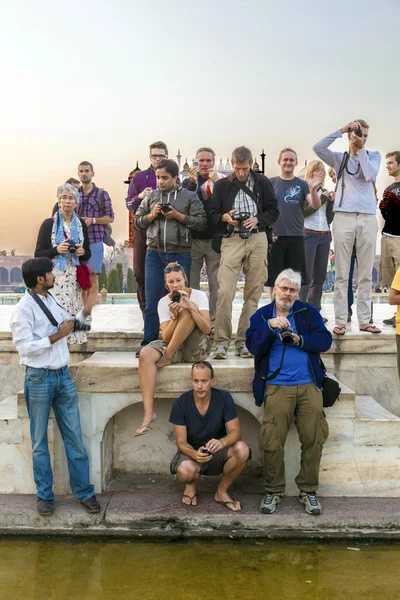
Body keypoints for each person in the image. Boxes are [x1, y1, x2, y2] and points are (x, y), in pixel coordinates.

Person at [9, 258, 100, 516]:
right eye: (49, 272)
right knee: (39, 441)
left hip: (63, 376)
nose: (53, 275)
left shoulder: (51, 300)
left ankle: (84, 492)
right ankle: (44, 496)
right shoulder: (23, 309)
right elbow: (24, 347)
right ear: (40, 279)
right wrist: (55, 336)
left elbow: (72, 327)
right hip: (38, 378)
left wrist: (88, 308)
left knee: (74, 436)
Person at [246, 269, 332, 515]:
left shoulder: (307, 312)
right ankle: (273, 491)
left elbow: (324, 341)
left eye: (293, 290)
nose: (288, 294)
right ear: (274, 289)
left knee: (314, 439)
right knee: (272, 441)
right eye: (284, 288)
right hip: (276, 386)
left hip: (308, 386)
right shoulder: (262, 315)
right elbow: (253, 347)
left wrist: (299, 340)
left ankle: (308, 491)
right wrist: (270, 327)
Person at [210, 146, 279, 359]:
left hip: (257, 237)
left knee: (253, 293)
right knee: (225, 292)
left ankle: (245, 341)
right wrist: (225, 217)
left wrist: (258, 219)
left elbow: (273, 211)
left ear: (251, 165)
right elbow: (212, 215)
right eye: (238, 169)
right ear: (232, 165)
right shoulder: (222, 185)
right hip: (231, 239)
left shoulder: (263, 182)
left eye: (245, 169)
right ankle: (221, 342)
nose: (241, 173)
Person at [313, 120, 381, 335]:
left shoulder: (373, 156)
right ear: (351, 134)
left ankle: (364, 320)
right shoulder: (339, 159)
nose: (363, 137)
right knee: (342, 274)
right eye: (360, 133)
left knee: (365, 275)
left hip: (368, 217)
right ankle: (341, 321)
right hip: (343, 217)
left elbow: (370, 175)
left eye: (366, 135)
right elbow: (318, 147)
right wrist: (342, 130)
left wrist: (361, 149)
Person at [134, 159, 206, 355]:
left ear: (175, 178)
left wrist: (178, 216)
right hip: (154, 254)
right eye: (158, 177)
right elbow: (137, 223)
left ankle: (181, 343)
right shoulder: (151, 197)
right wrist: (151, 216)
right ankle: (148, 343)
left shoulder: (189, 197)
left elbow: (201, 223)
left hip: (181, 253)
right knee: (152, 301)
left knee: (181, 299)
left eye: (165, 178)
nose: (160, 181)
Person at [136, 262, 212, 436]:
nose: (175, 285)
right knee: (145, 354)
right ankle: (149, 413)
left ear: (185, 279)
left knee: (187, 310)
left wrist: (191, 308)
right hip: (174, 344)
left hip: (196, 347)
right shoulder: (164, 302)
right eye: (171, 282)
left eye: (178, 280)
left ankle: (167, 356)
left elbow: (207, 329)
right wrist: (174, 317)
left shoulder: (199, 295)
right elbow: (166, 337)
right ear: (166, 284)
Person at [169, 360, 250, 510]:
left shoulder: (224, 398)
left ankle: (221, 491)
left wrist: (221, 443)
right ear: (191, 381)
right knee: (185, 471)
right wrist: (194, 453)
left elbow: (236, 432)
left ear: (212, 381)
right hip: (192, 453)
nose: (199, 386)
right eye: (196, 381)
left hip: (217, 452)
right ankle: (190, 485)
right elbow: (181, 443)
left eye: (204, 381)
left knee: (242, 449)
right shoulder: (180, 403)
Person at [35, 183, 91, 344]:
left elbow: (87, 253)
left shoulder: (80, 225)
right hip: (53, 279)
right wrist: (56, 250)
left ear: (76, 202)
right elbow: (38, 253)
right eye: (63, 198)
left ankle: (68, 353)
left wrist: (82, 253)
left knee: (72, 313)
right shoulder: (49, 224)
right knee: (55, 314)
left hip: (74, 279)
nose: (67, 201)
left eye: (71, 198)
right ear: (59, 201)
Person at [266, 148, 323, 292]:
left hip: (296, 237)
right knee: (274, 280)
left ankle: (291, 312)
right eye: (285, 159)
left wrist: (313, 189)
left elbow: (315, 205)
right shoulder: (271, 183)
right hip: (275, 237)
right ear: (279, 162)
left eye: (291, 160)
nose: (288, 162)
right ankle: (274, 310)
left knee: (294, 280)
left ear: (296, 162)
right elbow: (264, 209)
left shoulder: (302, 185)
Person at [182, 147, 224, 327]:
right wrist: (191, 183)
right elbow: (185, 204)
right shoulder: (189, 182)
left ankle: (212, 319)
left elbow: (226, 203)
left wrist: (219, 183)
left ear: (213, 162)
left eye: (208, 160)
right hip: (194, 240)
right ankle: (194, 316)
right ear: (196, 163)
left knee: (216, 284)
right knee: (192, 283)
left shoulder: (221, 181)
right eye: (201, 161)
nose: (205, 164)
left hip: (214, 240)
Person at [126, 142, 169, 315]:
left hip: (166, 230)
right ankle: (147, 315)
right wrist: (140, 196)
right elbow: (129, 203)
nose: (158, 159)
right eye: (154, 156)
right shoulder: (139, 178)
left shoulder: (173, 176)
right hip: (143, 228)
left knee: (168, 272)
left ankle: (166, 316)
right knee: (140, 274)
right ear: (149, 157)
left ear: (166, 156)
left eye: (161, 156)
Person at [76, 160, 115, 319]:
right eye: (81, 171)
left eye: (86, 171)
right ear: (78, 174)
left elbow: (110, 218)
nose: (84, 174)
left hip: (94, 240)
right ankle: (80, 311)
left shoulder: (101, 194)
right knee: (78, 277)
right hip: (77, 241)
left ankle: (87, 313)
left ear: (92, 173)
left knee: (93, 276)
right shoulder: (74, 194)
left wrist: (92, 220)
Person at [299, 160, 334, 321]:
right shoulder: (303, 190)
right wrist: (325, 200)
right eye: (316, 171)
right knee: (306, 276)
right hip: (308, 234)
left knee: (319, 276)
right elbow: (304, 213)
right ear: (310, 173)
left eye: (321, 171)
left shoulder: (325, 191)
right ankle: (301, 311)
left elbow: (329, 218)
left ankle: (314, 311)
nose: (319, 173)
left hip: (324, 235)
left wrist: (331, 201)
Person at [380, 152, 400, 327]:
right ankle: (397, 314)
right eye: (386, 163)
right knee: (394, 278)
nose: (387, 166)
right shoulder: (388, 189)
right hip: (388, 237)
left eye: (391, 163)